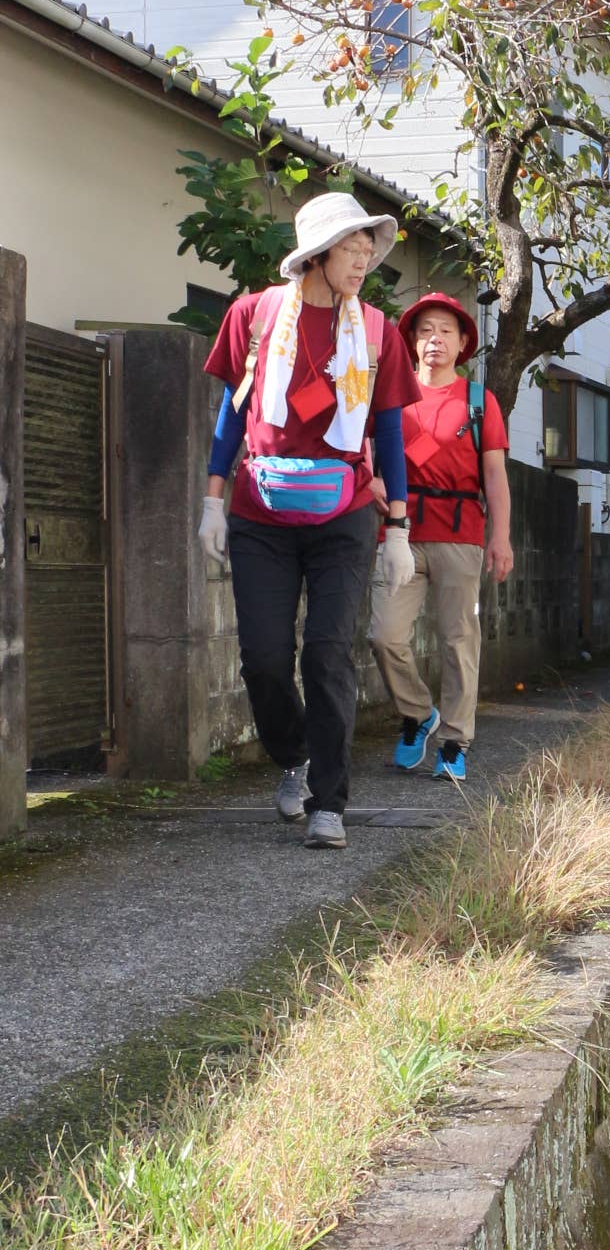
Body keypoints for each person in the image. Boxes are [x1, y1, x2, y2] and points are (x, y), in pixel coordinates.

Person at [199, 192, 419, 850]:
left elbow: (388, 429)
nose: (364, 260)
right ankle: (294, 758)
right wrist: (213, 500)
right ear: (317, 255)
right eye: (351, 249)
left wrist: (400, 527)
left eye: (368, 249)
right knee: (264, 661)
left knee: (327, 654)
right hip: (259, 513)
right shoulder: (255, 316)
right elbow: (231, 416)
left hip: (345, 512)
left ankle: (330, 801)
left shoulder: (377, 331)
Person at [369, 292, 513, 781]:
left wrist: (502, 536)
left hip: (461, 536)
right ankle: (417, 714)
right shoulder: (388, 394)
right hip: (398, 533)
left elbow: (494, 475)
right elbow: (365, 458)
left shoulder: (479, 401)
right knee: (384, 635)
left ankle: (454, 740)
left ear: (463, 342)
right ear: (411, 341)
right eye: (426, 330)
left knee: (459, 640)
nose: (435, 339)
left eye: (446, 331)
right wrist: (375, 488)